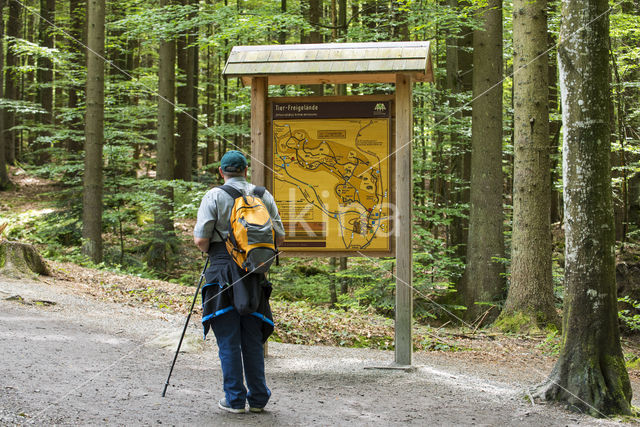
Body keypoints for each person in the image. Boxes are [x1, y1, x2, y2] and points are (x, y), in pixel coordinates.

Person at [193, 150, 285, 414]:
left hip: (221, 273)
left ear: (221, 172)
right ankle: (258, 399)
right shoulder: (262, 195)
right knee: (252, 339)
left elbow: (201, 242)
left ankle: (234, 400)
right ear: (246, 170)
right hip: (254, 273)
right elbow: (280, 238)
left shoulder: (214, 195)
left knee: (229, 338)